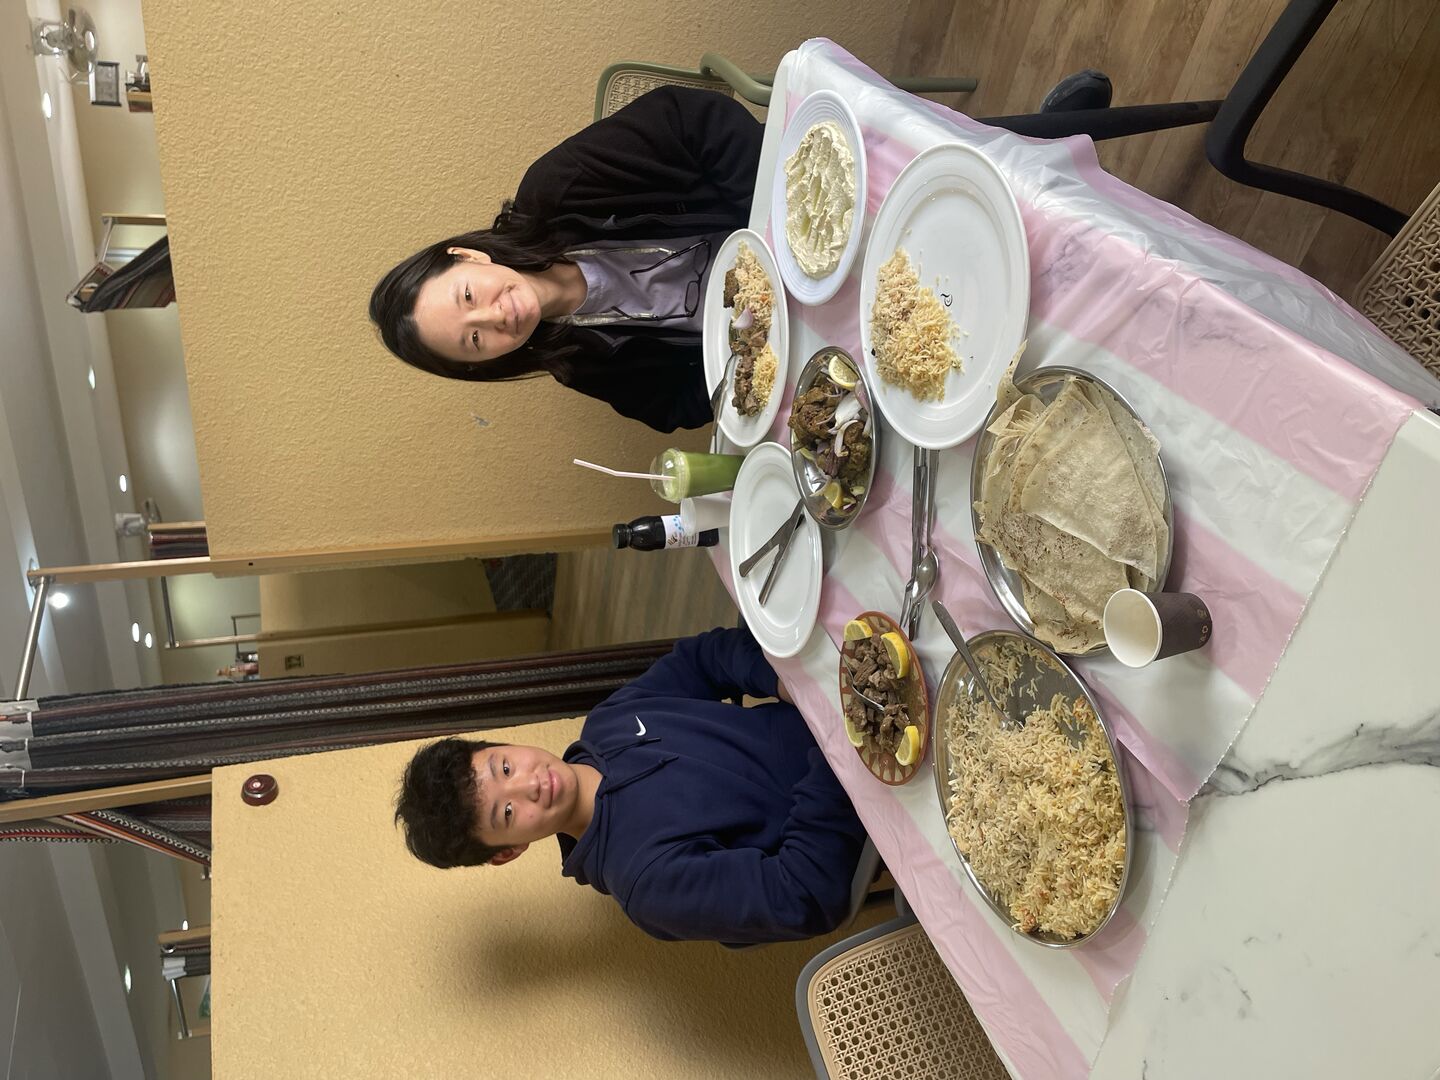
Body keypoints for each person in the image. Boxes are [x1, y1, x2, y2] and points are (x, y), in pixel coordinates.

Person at [394, 626, 868, 945]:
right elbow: (803, 894)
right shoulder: (647, 884)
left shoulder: (608, 723)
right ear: (508, 851)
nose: (529, 785)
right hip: (872, 801)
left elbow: (703, 659)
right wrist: (836, 743)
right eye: (507, 813)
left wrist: (791, 687)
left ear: (502, 743)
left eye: (503, 768)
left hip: (849, 705)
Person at [370, 87, 765, 433]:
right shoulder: (576, 363)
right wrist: (749, 361)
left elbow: (690, 120)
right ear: (486, 361)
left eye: (469, 296)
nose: (494, 317)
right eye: (475, 340)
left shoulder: (557, 189)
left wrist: (769, 231)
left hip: (779, 221)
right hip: (779, 333)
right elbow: (673, 406)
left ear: (468, 256)